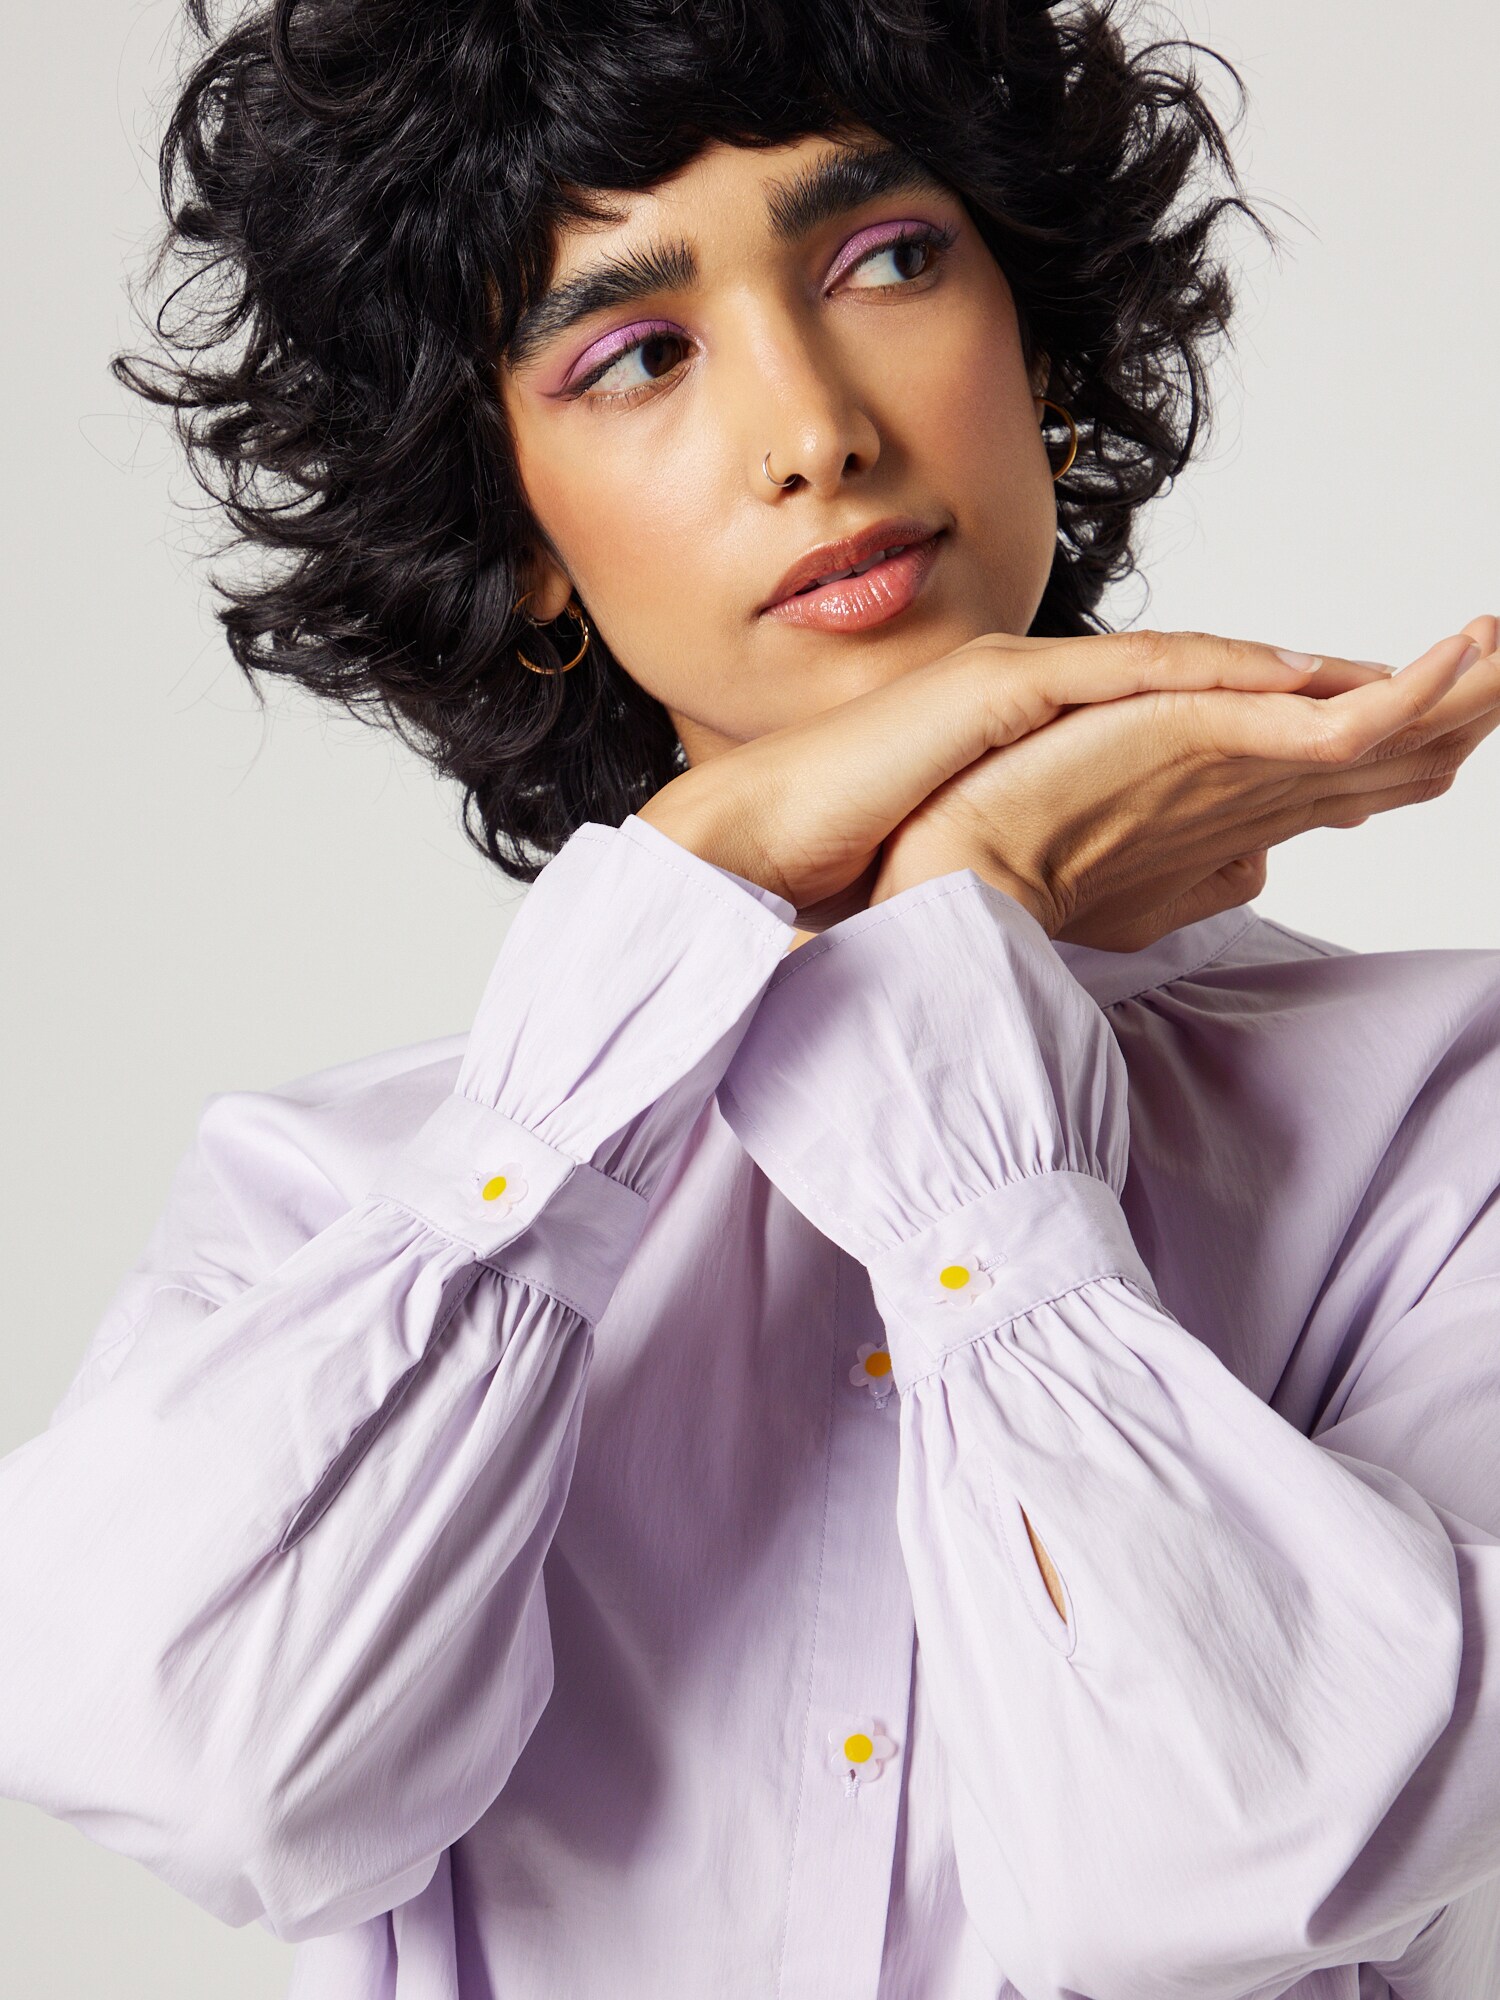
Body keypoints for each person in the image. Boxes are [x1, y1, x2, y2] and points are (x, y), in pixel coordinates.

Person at [2, 1, 1498, 1995]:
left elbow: (1217, 1866)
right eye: (636, 353)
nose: (816, 432)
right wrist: (708, 878)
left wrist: (964, 929)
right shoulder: (338, 1213)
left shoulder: (1439, 1121)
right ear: (520, 538)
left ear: (1038, 344)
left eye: (887, 258)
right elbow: (218, 1779)